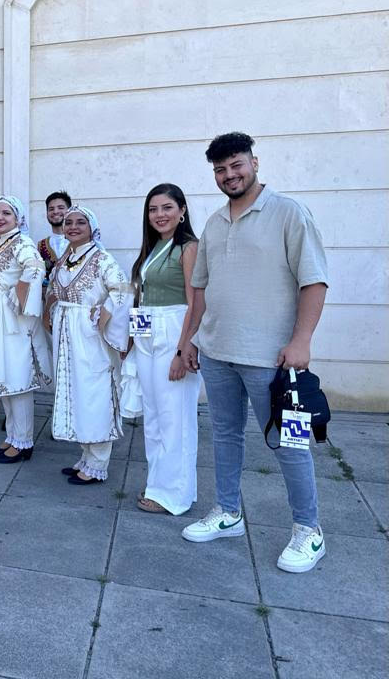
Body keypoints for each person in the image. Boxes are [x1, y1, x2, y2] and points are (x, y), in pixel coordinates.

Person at [179, 132, 329, 574]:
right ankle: (228, 512)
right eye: (220, 170)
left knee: (290, 443)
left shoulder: (289, 212)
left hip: (274, 361)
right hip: (218, 353)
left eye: (236, 165)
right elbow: (200, 287)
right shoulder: (213, 223)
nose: (229, 175)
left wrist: (301, 340)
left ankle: (309, 530)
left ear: (254, 163)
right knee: (225, 435)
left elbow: (314, 280)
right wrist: (192, 338)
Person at [128, 184, 201, 514]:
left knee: (175, 417)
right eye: (153, 209)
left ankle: (175, 494)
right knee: (154, 416)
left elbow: (196, 302)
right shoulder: (154, 247)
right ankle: (158, 483)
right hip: (148, 333)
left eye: (167, 207)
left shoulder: (189, 247)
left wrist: (183, 350)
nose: (159, 215)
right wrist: (132, 340)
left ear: (182, 210)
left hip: (174, 331)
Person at [47, 205, 131, 483]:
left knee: (95, 393)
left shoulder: (102, 259)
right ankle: (86, 455)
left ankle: (98, 463)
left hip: (90, 336)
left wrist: (102, 313)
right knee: (76, 392)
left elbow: (123, 291)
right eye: (69, 222)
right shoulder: (65, 258)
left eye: (80, 222)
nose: (73, 227)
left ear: (91, 227)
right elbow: (54, 289)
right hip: (67, 335)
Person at [0, 197, 52, 462]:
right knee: (4, 377)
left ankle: (24, 441)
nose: (0, 217)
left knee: (18, 378)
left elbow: (36, 268)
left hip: (13, 321)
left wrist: (17, 295)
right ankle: (12, 436)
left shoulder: (22, 243)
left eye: (6, 213)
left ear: (18, 218)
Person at [38, 190, 72, 273]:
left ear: (70, 211)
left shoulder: (80, 242)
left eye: (60, 208)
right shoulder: (41, 245)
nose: (55, 212)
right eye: (51, 209)